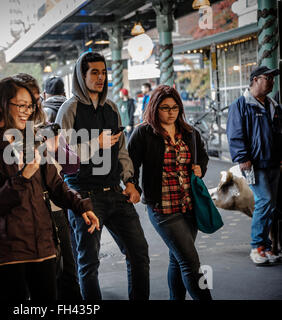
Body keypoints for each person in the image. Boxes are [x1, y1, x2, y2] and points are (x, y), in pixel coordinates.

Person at [0, 77, 100, 300]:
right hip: (8, 252)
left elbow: (56, 184)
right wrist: (23, 177)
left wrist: (80, 205)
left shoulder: (29, 139)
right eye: (21, 105)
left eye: (30, 105)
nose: (27, 111)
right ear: (2, 104)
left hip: (43, 246)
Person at [55, 51, 150, 300]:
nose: (101, 77)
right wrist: (96, 142)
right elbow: (62, 157)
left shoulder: (111, 107)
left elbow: (122, 150)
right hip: (83, 196)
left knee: (139, 253)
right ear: (81, 75)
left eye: (104, 72)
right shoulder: (69, 109)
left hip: (115, 192)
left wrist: (130, 182)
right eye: (94, 72)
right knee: (88, 265)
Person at [128, 85, 212, 300]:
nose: (171, 112)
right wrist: (132, 186)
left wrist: (200, 168)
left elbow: (202, 156)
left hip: (189, 205)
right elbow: (130, 164)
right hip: (162, 208)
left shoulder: (189, 132)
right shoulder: (144, 132)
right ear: (155, 108)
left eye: (175, 107)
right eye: (165, 107)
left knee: (178, 259)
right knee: (191, 263)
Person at [14, 73, 82, 300]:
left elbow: (71, 166)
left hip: (55, 209)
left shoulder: (48, 128)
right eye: (24, 100)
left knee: (68, 276)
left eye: (34, 99)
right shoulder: (5, 136)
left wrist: (57, 147)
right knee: (36, 283)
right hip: (25, 216)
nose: (31, 106)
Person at [226, 66, 282, 265]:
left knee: (272, 206)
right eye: (268, 78)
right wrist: (242, 157)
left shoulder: (273, 105)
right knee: (265, 201)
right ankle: (256, 246)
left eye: (273, 78)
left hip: (274, 162)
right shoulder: (240, 105)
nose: (272, 81)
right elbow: (234, 133)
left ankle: (266, 247)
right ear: (256, 80)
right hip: (254, 163)